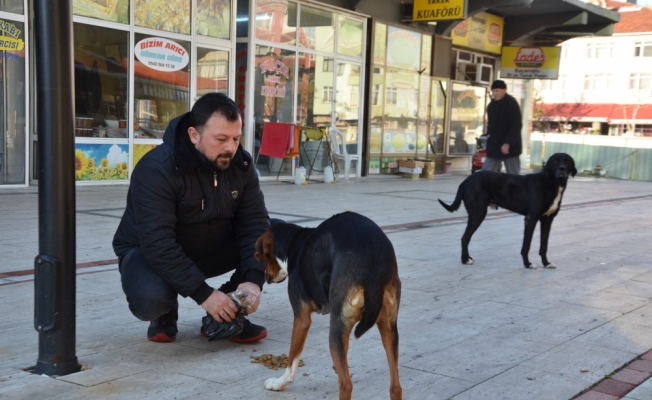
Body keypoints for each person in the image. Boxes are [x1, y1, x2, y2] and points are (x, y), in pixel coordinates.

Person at [113, 93, 271, 344]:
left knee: (279, 239)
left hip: (209, 247)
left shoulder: (241, 164)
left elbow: (254, 223)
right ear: (193, 135)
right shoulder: (157, 169)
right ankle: (165, 312)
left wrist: (252, 281)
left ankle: (228, 313)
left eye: (236, 138)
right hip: (150, 253)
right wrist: (205, 295)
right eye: (221, 139)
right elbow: (157, 242)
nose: (231, 147)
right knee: (150, 299)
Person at [482, 79, 523, 175]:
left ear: (504, 90)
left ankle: (515, 190)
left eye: (497, 91)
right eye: (493, 91)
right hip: (495, 147)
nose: (495, 93)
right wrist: (488, 139)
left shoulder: (511, 103)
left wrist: (508, 143)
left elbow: (517, 125)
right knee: (484, 175)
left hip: (510, 148)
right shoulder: (492, 105)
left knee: (514, 176)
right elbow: (491, 125)